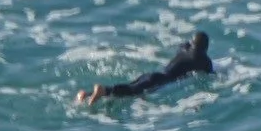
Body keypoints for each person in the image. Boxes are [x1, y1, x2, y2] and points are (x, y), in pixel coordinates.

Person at [79, 31, 213, 104]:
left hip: (154, 74)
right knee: (133, 92)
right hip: (160, 80)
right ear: (205, 47)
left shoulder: (184, 50)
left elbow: (184, 44)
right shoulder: (204, 59)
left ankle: (87, 94)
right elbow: (209, 74)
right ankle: (101, 90)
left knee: (130, 87)